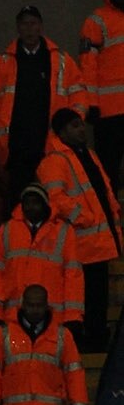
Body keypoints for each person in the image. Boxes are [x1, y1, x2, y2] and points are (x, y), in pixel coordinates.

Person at [37, 105, 119, 350]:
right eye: (75, 125)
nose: (81, 129)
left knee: (98, 295)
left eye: (81, 124)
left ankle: (97, 335)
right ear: (61, 132)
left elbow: (103, 191)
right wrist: (83, 217)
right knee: (86, 296)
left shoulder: (88, 154)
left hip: (97, 239)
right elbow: (55, 198)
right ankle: (89, 338)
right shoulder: (55, 160)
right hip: (80, 241)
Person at [0, 5, 85, 194]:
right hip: (17, 144)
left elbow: (78, 92)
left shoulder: (61, 60)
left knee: (54, 193)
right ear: (18, 28)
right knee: (17, 197)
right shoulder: (4, 62)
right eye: (24, 24)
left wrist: (72, 124)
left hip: (51, 141)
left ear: (41, 27)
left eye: (33, 23)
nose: (29, 29)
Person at [0, 185, 83, 327]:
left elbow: (73, 276)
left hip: (53, 318)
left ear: (45, 204)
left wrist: (73, 316)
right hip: (13, 318)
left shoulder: (64, 232)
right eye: (27, 203)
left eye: (35, 202)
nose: (30, 207)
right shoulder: (7, 231)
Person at [79, 0, 124, 192]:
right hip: (108, 114)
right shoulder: (96, 21)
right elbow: (88, 66)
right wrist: (92, 105)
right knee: (108, 173)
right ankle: (112, 222)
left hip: (111, 113)